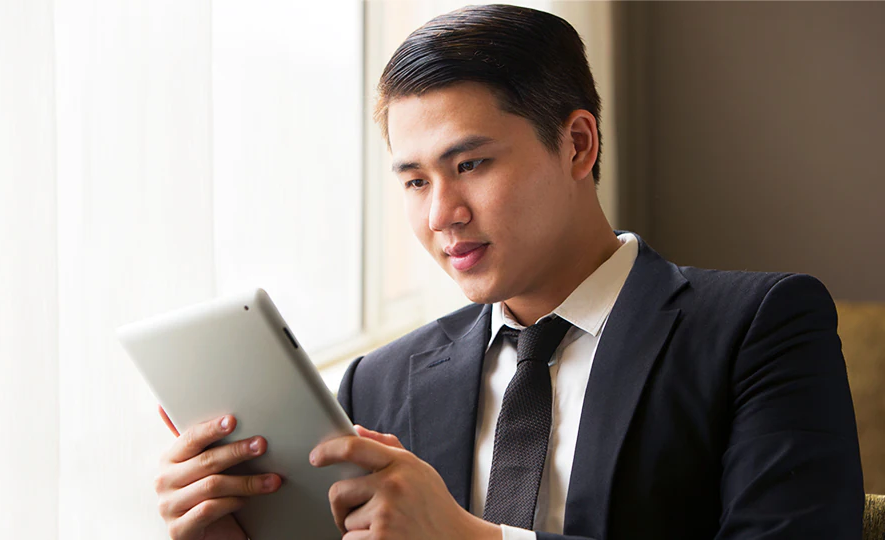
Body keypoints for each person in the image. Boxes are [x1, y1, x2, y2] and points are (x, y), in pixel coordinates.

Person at [151, 5, 864, 539]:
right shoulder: (380, 382)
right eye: (414, 181)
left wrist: (474, 538)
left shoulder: (761, 326)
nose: (442, 214)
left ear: (578, 143)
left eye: (470, 165)